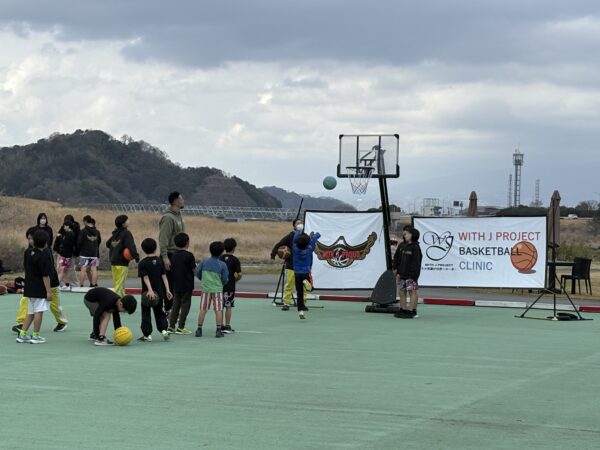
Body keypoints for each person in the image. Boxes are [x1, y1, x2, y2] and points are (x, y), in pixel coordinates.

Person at [13, 227, 68, 334]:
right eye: (28, 239)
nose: (29, 241)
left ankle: (61, 322)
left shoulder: (45, 252)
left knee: (54, 305)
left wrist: (48, 290)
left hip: (50, 284)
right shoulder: (29, 252)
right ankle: (21, 323)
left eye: (31, 239)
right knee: (25, 302)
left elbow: (47, 272)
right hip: (36, 286)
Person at [16, 230, 52, 344]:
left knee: (30, 312)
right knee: (39, 311)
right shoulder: (44, 256)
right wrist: (49, 291)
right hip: (39, 289)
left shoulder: (28, 252)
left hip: (29, 287)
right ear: (45, 242)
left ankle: (22, 334)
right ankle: (35, 336)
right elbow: (45, 275)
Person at [138, 238, 173, 342]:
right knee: (159, 311)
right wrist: (167, 290)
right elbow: (164, 276)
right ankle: (164, 330)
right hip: (159, 293)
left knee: (146, 312)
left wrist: (150, 290)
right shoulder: (159, 261)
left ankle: (147, 335)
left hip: (147, 293)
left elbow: (145, 277)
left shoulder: (142, 263)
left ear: (143, 249)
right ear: (155, 248)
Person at [159, 191, 185, 316]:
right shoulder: (168, 218)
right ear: (175, 201)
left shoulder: (179, 215)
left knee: (177, 283)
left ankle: (174, 309)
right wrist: (165, 257)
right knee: (169, 284)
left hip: (179, 254)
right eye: (181, 199)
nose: (183, 200)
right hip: (170, 255)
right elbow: (163, 238)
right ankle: (168, 310)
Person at [195, 241, 229, 338]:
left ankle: (199, 329)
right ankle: (218, 330)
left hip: (205, 289)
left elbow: (197, 272)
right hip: (217, 289)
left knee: (203, 309)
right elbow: (225, 278)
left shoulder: (204, 261)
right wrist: (223, 283)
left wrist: (203, 279)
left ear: (210, 250)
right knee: (218, 309)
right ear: (221, 252)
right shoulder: (222, 264)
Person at [270, 218, 305, 311]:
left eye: (301, 223)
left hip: (302, 266)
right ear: (294, 226)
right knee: (289, 285)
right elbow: (279, 244)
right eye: (297, 223)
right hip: (291, 265)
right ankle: (286, 303)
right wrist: (273, 254)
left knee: (304, 286)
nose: (300, 225)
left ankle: (302, 303)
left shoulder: (305, 236)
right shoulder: (290, 236)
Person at [167, 232, 196, 335]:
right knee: (185, 305)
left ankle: (171, 326)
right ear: (187, 243)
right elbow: (193, 269)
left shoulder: (173, 256)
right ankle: (181, 327)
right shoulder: (189, 255)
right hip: (187, 284)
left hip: (176, 284)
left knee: (175, 305)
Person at [393, 226, 423, 319]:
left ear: (412, 234)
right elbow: (396, 259)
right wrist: (397, 273)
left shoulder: (415, 247)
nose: (404, 235)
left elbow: (416, 263)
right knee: (401, 292)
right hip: (401, 275)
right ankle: (403, 309)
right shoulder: (402, 245)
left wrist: (412, 276)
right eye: (404, 233)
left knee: (411, 291)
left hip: (411, 276)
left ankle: (412, 311)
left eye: (406, 233)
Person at [106, 215, 139, 297]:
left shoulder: (115, 233)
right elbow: (131, 246)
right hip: (122, 262)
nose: (129, 221)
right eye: (127, 220)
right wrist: (136, 256)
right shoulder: (127, 233)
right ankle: (116, 301)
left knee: (118, 283)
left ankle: (122, 298)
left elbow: (107, 244)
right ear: (123, 223)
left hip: (113, 261)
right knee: (119, 284)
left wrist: (115, 246)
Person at [292, 230, 321, 319]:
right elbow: (315, 237)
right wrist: (316, 234)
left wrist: (298, 231)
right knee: (310, 288)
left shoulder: (294, 248)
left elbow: (295, 237)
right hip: (306, 272)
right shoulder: (309, 249)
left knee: (299, 293)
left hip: (297, 273)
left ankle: (300, 311)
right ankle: (307, 284)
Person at [220, 238, 242, 333]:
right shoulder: (235, 260)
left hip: (220, 286)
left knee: (220, 307)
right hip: (230, 286)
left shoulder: (220, 258)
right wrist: (236, 279)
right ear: (234, 248)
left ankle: (220, 324)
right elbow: (239, 274)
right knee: (228, 306)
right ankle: (227, 325)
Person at [78, 215, 101, 287]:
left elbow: (79, 242)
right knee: (94, 269)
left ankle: (81, 285)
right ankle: (94, 285)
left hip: (84, 253)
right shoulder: (97, 232)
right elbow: (99, 241)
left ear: (85, 221)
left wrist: (79, 249)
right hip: (94, 253)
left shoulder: (83, 231)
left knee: (83, 269)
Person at [54, 218, 77, 291]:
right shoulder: (71, 233)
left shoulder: (70, 234)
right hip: (68, 254)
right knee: (66, 270)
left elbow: (65, 243)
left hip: (65, 255)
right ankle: (67, 284)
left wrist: (59, 237)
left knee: (61, 270)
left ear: (68, 226)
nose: (64, 228)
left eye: (64, 226)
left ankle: (56, 285)